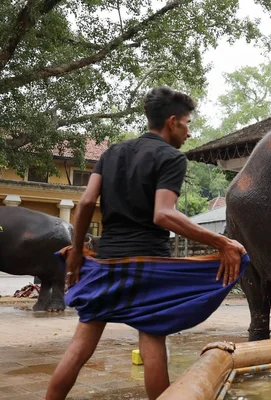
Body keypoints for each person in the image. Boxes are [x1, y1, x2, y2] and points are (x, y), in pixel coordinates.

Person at [45, 87, 246, 400]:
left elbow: (85, 203)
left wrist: (75, 256)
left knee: (79, 348)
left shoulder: (111, 153)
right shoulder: (170, 158)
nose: (189, 131)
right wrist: (222, 242)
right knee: (152, 347)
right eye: (187, 123)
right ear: (171, 122)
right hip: (148, 267)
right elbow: (164, 215)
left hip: (106, 263)